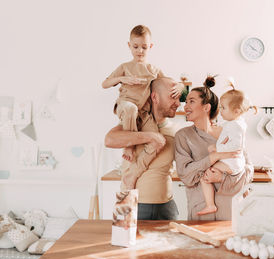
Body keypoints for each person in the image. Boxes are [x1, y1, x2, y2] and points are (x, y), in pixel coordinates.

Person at [102, 25, 180, 190]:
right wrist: (122, 79)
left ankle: (135, 172)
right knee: (131, 109)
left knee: (158, 141)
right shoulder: (125, 67)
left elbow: (169, 83)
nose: (140, 51)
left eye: (144, 47)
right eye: (135, 47)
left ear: (150, 47)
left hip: (143, 115)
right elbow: (105, 83)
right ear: (129, 45)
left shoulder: (153, 70)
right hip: (126, 107)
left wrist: (180, 86)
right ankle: (129, 146)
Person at [174, 76, 254, 220]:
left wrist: (223, 178)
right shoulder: (183, 136)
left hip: (232, 212)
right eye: (185, 102)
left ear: (206, 107)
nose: (185, 106)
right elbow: (186, 175)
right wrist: (213, 157)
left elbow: (248, 172)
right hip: (201, 214)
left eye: (191, 101)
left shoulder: (230, 132)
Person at [105, 77, 180, 220]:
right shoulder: (135, 123)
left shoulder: (176, 130)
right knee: (125, 242)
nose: (177, 103)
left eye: (178, 98)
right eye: (172, 97)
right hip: (129, 199)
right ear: (154, 97)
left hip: (166, 206)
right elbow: (109, 140)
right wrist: (150, 137)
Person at [197, 85, 256, 216]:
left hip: (231, 162)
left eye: (223, 108)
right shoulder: (236, 123)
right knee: (236, 184)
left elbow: (234, 145)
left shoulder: (236, 126)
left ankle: (210, 205)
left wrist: (216, 150)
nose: (220, 111)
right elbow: (226, 136)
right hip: (234, 162)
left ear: (236, 111)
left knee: (204, 176)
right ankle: (245, 196)